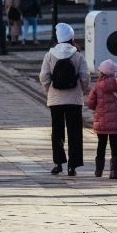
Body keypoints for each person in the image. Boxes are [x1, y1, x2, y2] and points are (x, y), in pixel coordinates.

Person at [39, 23, 90, 176]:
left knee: (57, 131)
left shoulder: (50, 54)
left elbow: (44, 76)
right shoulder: (77, 54)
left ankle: (58, 162)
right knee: (75, 132)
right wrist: (82, 89)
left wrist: (50, 90)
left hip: (56, 100)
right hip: (74, 99)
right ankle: (72, 166)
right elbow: (85, 76)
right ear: (71, 37)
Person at [86, 59, 117, 179]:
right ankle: (114, 171)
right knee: (115, 145)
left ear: (102, 73)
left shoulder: (96, 87)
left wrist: (98, 107)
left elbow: (89, 103)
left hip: (101, 121)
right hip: (116, 121)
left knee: (101, 144)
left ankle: (99, 170)